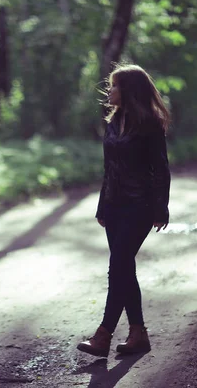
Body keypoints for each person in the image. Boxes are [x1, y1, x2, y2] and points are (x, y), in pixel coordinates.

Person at [77, 64, 171, 357]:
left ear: (129, 90)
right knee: (124, 267)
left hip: (140, 205)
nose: (110, 90)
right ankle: (138, 334)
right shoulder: (113, 121)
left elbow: (161, 169)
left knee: (118, 264)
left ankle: (104, 334)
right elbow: (110, 169)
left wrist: (161, 207)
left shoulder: (150, 124)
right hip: (115, 205)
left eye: (115, 85)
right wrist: (102, 205)